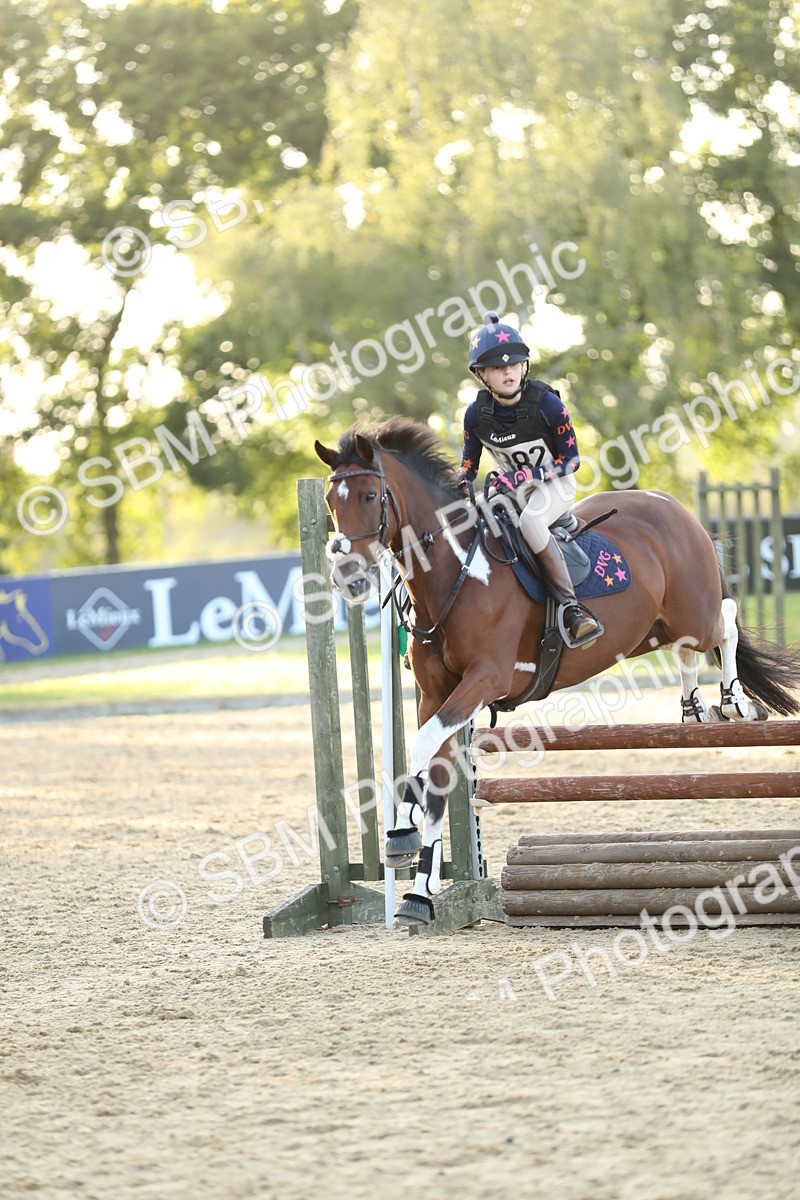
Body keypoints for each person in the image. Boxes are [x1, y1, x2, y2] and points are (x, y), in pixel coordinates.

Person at [457, 310, 602, 646]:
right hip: (511, 490)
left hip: (556, 485)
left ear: (524, 366)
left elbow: (571, 461)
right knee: (469, 524)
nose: (507, 371)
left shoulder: (548, 405)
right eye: (496, 366)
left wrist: (527, 475)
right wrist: (454, 482)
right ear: (481, 375)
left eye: (514, 363)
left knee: (532, 524)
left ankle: (572, 609)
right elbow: (469, 467)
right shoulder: (475, 415)